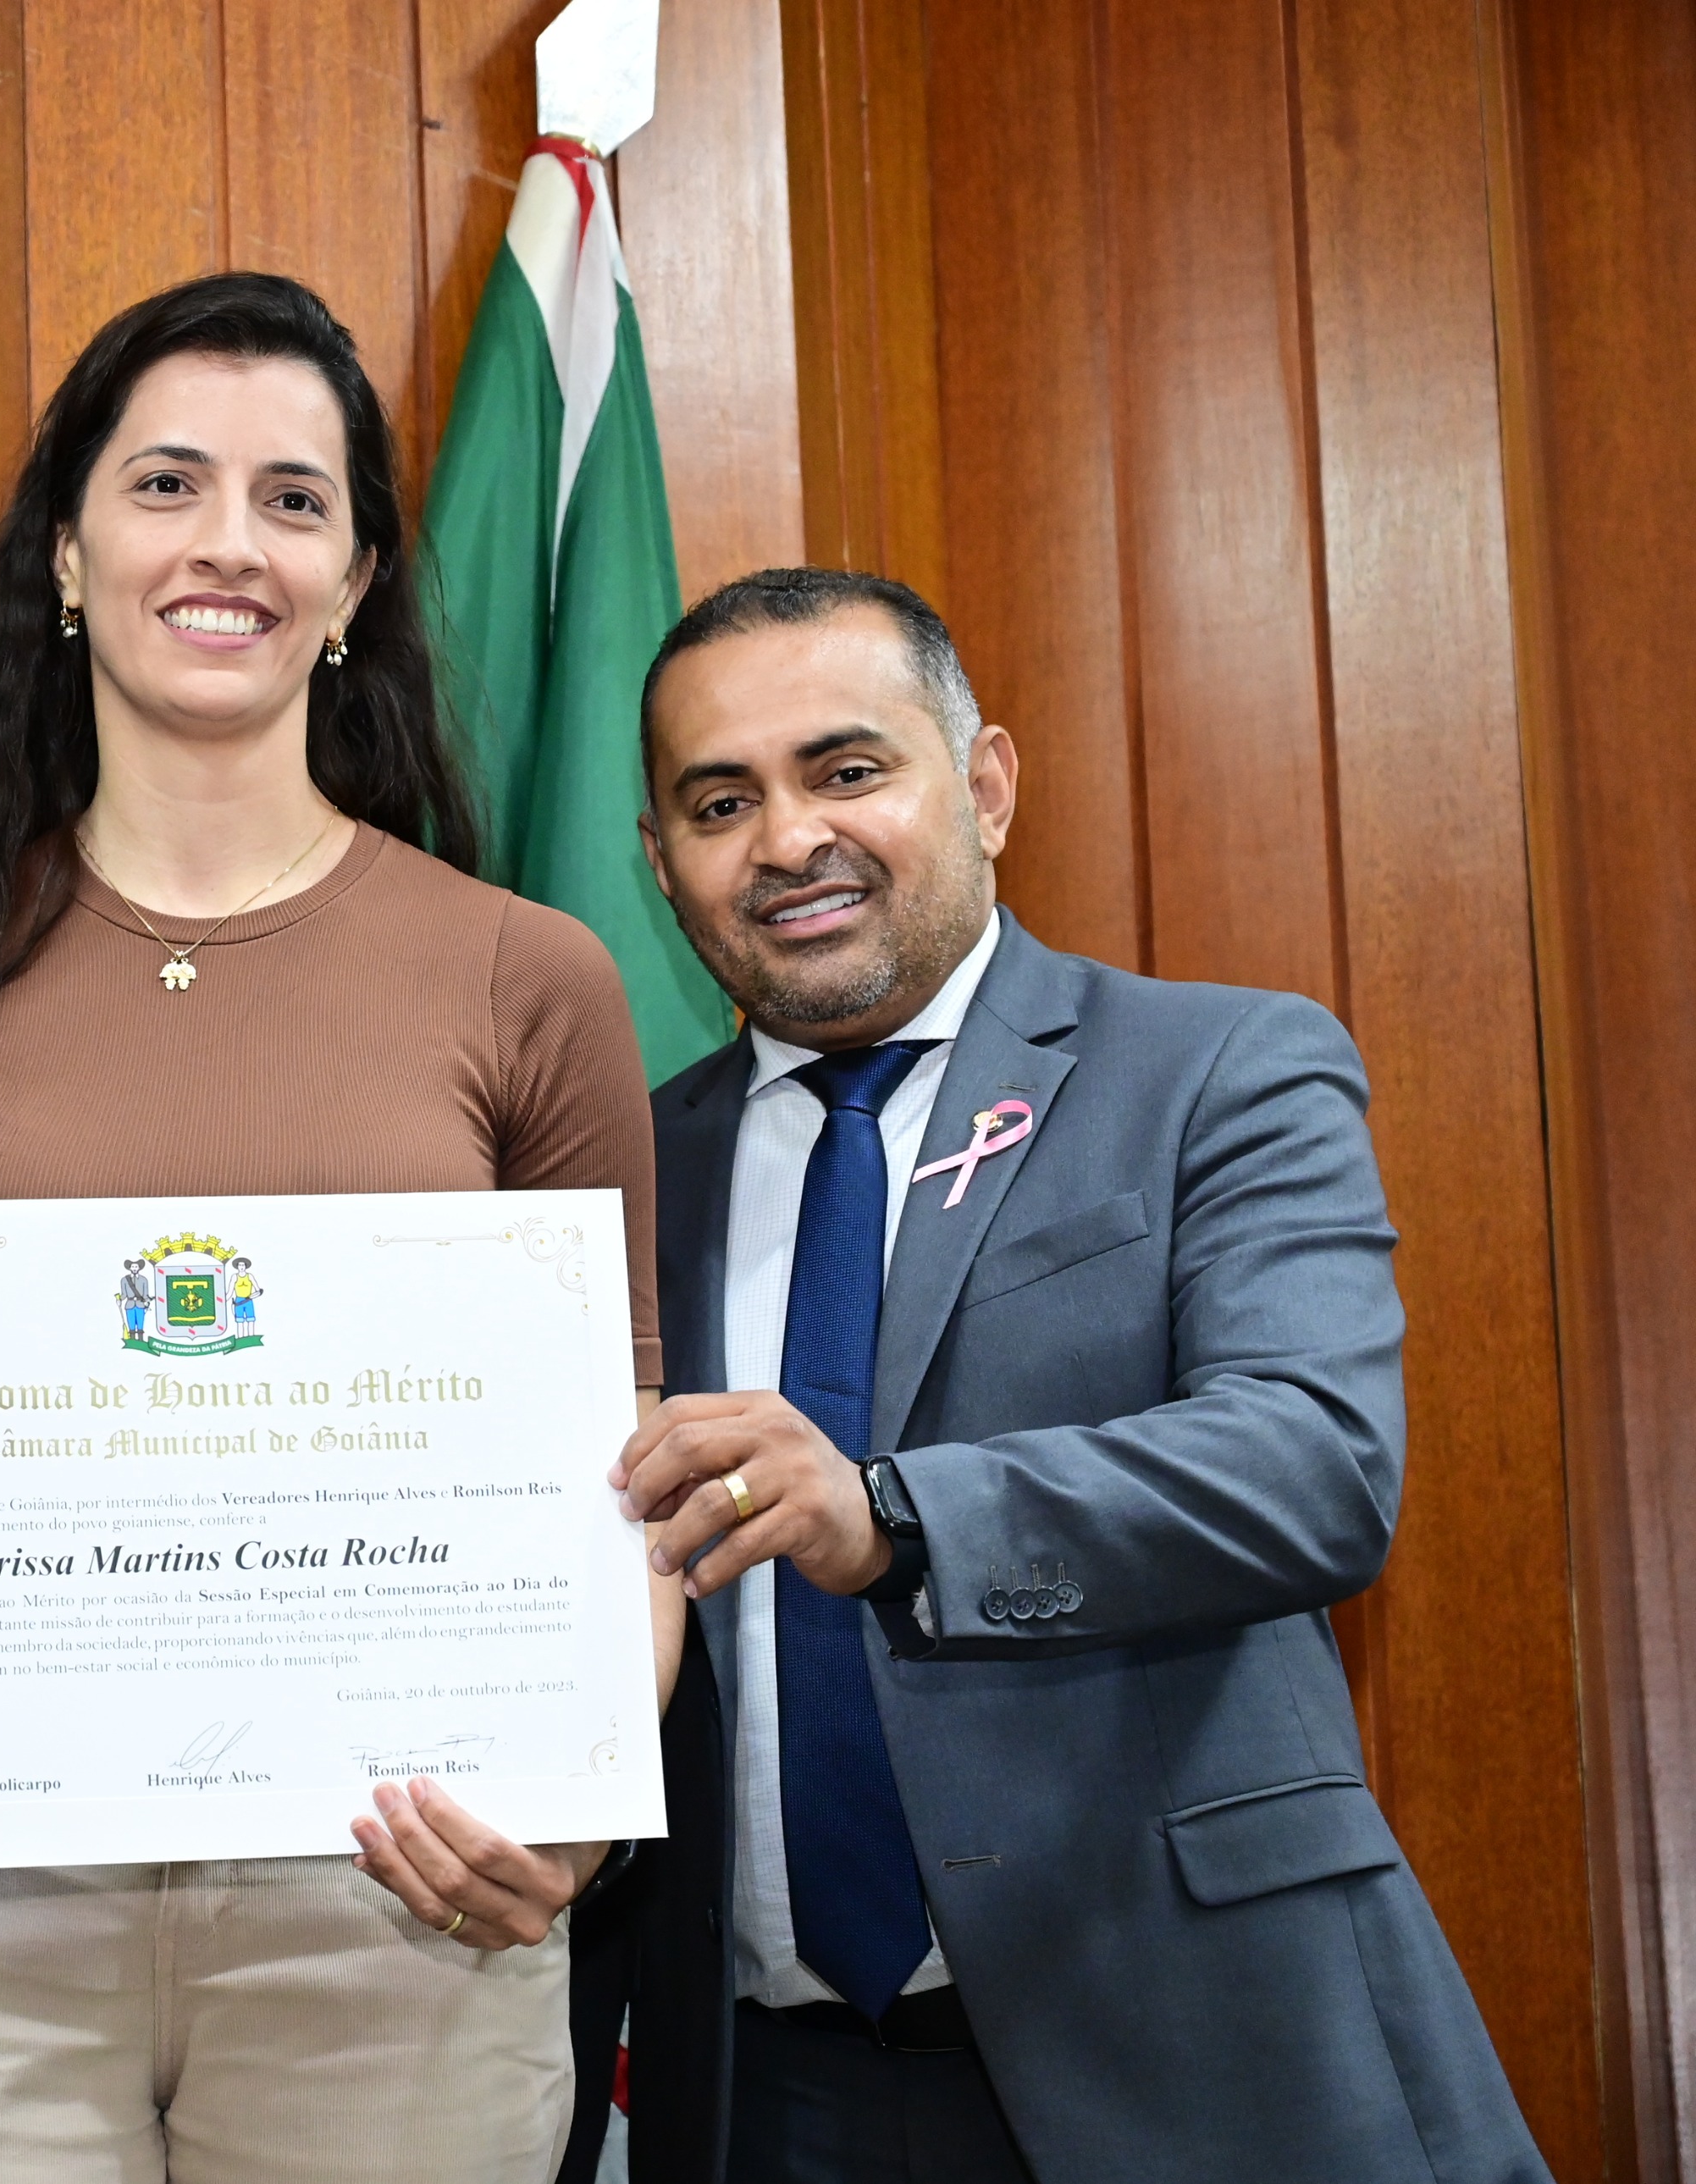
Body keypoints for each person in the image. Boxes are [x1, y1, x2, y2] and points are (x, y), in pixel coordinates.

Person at [0, 271, 682, 2184]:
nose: (229, 544)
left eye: (293, 499)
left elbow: (629, 1480)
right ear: (68, 555)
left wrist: (579, 1804)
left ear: (354, 583)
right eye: (168, 484)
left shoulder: (530, 979)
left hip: (396, 1911)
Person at [594, 566, 1547, 2183]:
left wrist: (892, 1515)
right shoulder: (621, 1178)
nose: (787, 840)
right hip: (757, 2095)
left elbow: (1314, 1466)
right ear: (660, 859)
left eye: (847, 770)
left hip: (1192, 2046)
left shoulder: (1219, 1071)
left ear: (985, 786)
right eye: (719, 802)